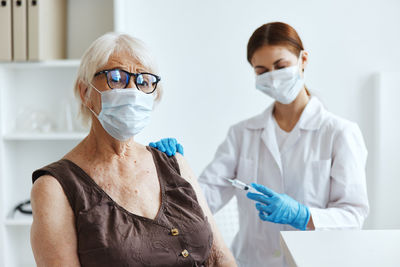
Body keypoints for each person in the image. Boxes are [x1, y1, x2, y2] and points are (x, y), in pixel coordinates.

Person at [150, 22, 369, 267]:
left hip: (315, 260)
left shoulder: (339, 133)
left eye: (281, 66)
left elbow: (353, 215)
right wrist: (173, 172)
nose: (272, 77)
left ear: (303, 59)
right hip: (253, 262)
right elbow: (204, 198)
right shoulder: (242, 134)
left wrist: (304, 215)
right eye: (262, 71)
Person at [30, 32, 236, 267]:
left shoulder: (173, 162)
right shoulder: (54, 187)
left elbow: (220, 258)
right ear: (85, 92)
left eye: (144, 81)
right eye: (116, 78)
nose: (133, 91)